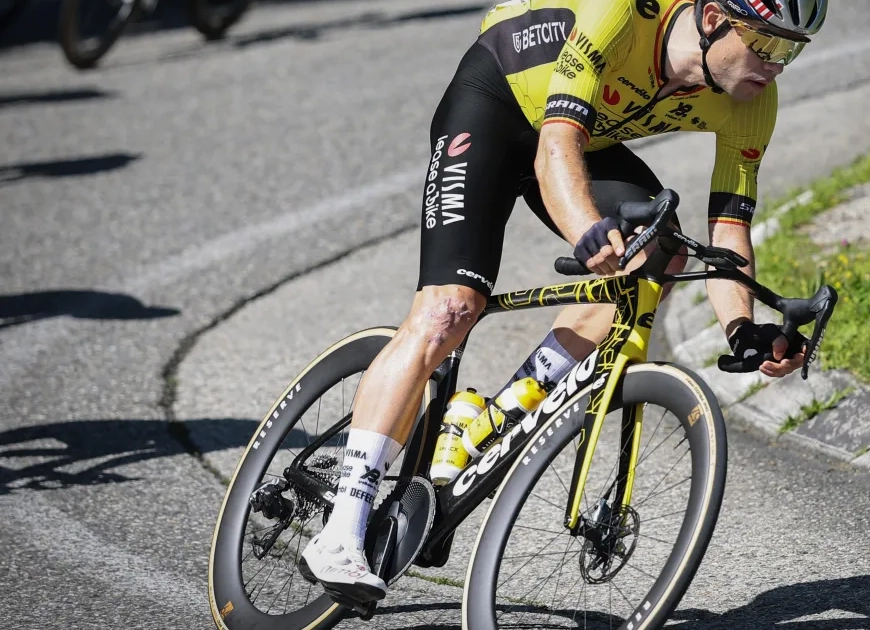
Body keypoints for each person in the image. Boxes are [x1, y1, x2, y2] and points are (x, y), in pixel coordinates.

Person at [300, 0, 828, 604]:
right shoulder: (624, 13)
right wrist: (586, 232)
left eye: (790, 51)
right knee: (450, 309)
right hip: (498, 105)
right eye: (766, 44)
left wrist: (742, 327)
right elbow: (556, 145)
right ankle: (341, 529)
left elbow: (729, 230)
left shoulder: (754, 100)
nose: (776, 65)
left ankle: (494, 416)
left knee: (659, 254)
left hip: (586, 141)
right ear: (712, 19)